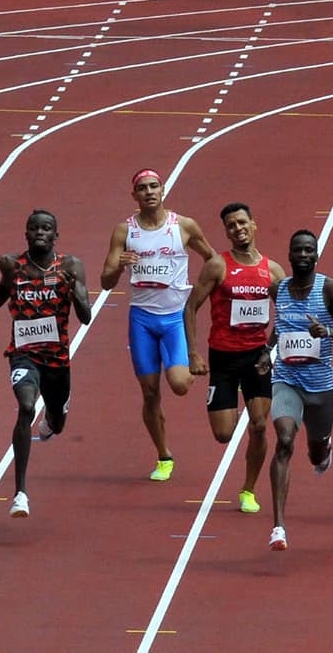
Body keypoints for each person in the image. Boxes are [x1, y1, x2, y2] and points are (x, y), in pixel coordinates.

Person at [0, 210, 92, 518]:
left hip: (57, 358)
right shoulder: (11, 265)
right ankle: (20, 492)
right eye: (34, 228)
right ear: (26, 233)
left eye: (46, 228)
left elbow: (86, 316)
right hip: (23, 353)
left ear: (55, 236)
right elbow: (3, 290)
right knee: (25, 408)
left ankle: (54, 415)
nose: (40, 232)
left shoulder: (71, 265)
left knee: (57, 424)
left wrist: (74, 289)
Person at [100, 168, 215, 481]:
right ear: (134, 195)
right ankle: (164, 456)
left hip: (176, 317)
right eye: (142, 188)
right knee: (150, 393)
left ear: (163, 190)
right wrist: (119, 266)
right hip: (142, 319)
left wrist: (203, 296)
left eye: (154, 186)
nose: (149, 192)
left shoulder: (184, 226)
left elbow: (213, 260)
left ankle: (200, 364)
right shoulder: (125, 231)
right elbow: (106, 281)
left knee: (179, 385)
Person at [260, 230, 333, 550]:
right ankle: (278, 527)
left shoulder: (331, 289)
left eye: (308, 250)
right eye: (297, 250)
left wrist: (328, 331)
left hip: (320, 386)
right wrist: (266, 351)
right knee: (284, 441)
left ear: (316, 256)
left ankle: (324, 448)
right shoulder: (278, 289)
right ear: (289, 256)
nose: (303, 255)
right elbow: (280, 327)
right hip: (286, 379)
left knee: (315, 452)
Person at [183, 203, 285, 514]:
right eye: (231, 225)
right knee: (223, 434)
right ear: (226, 232)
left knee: (258, 426)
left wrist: (270, 348)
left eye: (242, 222)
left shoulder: (273, 270)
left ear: (254, 225)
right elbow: (190, 308)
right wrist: (194, 353)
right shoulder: (217, 266)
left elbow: (286, 313)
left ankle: (248, 490)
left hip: (256, 358)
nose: (238, 228)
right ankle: (226, 397)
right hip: (224, 358)